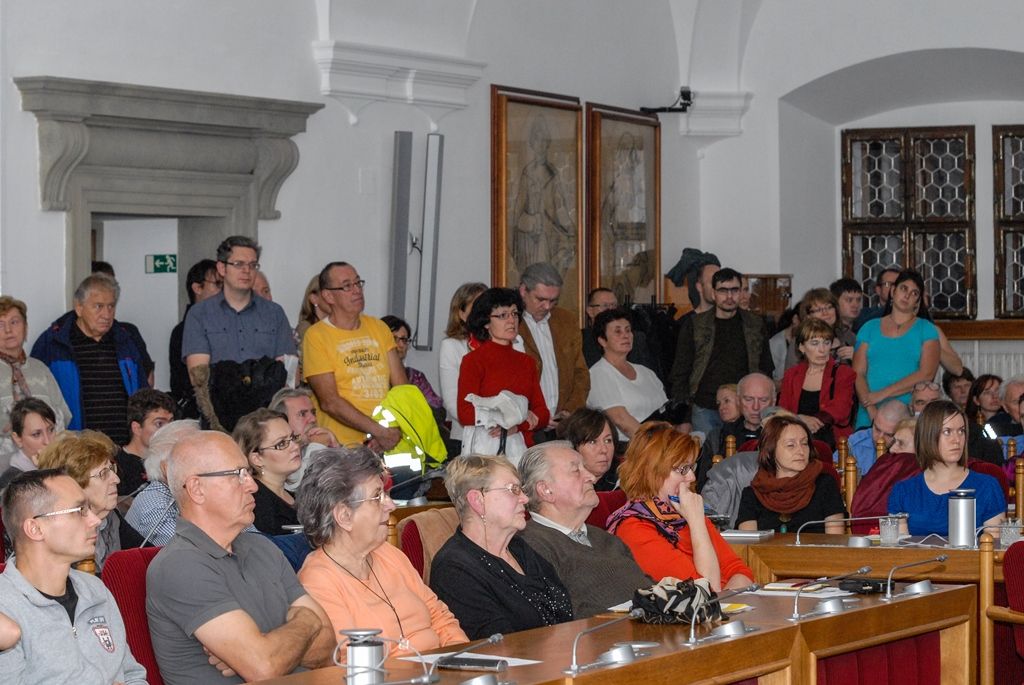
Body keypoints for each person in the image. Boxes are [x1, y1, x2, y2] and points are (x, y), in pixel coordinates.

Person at [146, 431, 334, 684]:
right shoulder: (179, 565)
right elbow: (264, 667)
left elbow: (328, 645)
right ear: (197, 489)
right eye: (237, 475)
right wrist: (308, 622)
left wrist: (268, 646)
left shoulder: (261, 547)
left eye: (249, 473)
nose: (253, 486)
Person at [296, 446, 467, 656]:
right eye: (377, 497)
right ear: (344, 516)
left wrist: (461, 660)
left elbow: (440, 616)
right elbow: (353, 661)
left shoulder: (388, 554)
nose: (391, 505)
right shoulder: (318, 581)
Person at [0, 469, 148, 684]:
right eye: (79, 510)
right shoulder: (5, 610)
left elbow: (133, 675)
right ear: (35, 528)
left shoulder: (94, 590)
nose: (95, 520)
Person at [429, 455, 573, 639]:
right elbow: (496, 644)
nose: (525, 498)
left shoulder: (519, 548)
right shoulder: (453, 569)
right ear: (477, 500)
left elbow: (565, 612)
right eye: (513, 490)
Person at [609, 422, 754, 591]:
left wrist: (723, 600)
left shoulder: (682, 511)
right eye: (682, 469)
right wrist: (697, 523)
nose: (692, 477)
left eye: (691, 467)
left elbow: (741, 571)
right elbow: (704, 591)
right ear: (652, 472)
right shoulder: (635, 529)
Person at [517, 441, 652, 617]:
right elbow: (562, 613)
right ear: (545, 490)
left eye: (586, 469)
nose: (591, 477)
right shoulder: (529, 546)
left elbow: (649, 588)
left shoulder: (606, 538)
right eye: (576, 471)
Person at [182, 236, 296, 431]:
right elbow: (199, 378)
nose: (246, 271)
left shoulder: (274, 313)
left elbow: (289, 374)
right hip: (218, 419)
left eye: (252, 265)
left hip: (267, 419)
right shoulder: (199, 314)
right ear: (221, 268)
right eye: (239, 264)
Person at [30, 274, 150, 445]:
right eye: (98, 306)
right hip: (76, 447)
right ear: (79, 307)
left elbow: (143, 394)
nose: (106, 314)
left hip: (124, 446)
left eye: (111, 306)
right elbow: (36, 402)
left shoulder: (125, 340)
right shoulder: (52, 344)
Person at [304, 261, 408, 449]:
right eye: (346, 286)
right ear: (328, 296)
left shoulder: (379, 328)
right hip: (340, 445)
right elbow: (330, 402)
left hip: (383, 439)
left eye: (358, 283)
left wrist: (390, 430)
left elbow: (402, 387)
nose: (357, 290)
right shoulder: (316, 336)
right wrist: (378, 431)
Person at [670, 267, 774, 435]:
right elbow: (680, 373)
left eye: (734, 290)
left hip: (745, 408)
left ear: (741, 292)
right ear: (713, 293)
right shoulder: (695, 325)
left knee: (745, 450)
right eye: (723, 290)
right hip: (704, 407)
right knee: (707, 451)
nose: (729, 296)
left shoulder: (755, 324)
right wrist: (683, 418)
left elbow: (765, 369)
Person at [457, 288, 548, 462]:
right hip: (485, 447)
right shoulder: (473, 360)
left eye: (514, 314)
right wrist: (516, 416)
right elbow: (465, 413)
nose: (511, 320)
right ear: (486, 322)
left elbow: (542, 413)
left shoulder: (527, 362)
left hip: (520, 447)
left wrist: (518, 425)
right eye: (502, 315)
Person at [889, 400, 1006, 536]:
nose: (957, 440)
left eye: (961, 431)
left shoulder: (987, 486)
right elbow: (899, 547)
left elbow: (993, 545)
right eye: (947, 432)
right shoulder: (903, 491)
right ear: (928, 435)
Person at [36, 431, 144, 572]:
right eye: (103, 474)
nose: (116, 479)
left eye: (112, 469)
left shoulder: (111, 517)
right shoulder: (60, 535)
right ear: (75, 484)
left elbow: (147, 556)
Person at [853, 269, 940, 429]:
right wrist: (871, 409)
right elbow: (858, 373)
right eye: (903, 288)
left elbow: (926, 374)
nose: (907, 295)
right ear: (893, 291)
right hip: (869, 411)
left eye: (914, 293)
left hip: (907, 414)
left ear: (918, 301)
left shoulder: (926, 329)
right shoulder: (869, 327)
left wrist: (882, 394)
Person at [737, 414, 846, 534]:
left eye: (804, 443)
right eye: (791, 445)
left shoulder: (825, 485)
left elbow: (835, 540)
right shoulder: (753, 494)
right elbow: (748, 543)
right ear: (770, 450)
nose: (801, 451)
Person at [517, 263, 590, 436]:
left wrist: (569, 410)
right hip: (525, 425)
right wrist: (532, 413)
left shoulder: (566, 321)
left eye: (553, 301)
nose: (547, 306)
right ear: (523, 291)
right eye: (540, 299)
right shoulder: (511, 324)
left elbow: (580, 373)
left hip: (562, 425)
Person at [0, 296, 71, 472]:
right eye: (1, 325)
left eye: (14, 322)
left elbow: (63, 415)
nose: (8, 330)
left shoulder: (40, 369)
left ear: (25, 327)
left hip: (47, 465)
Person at [587, 308, 668, 440]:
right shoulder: (598, 374)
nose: (626, 336)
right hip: (630, 446)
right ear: (602, 340)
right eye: (617, 331)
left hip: (660, 442)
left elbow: (665, 411)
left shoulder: (646, 372)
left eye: (628, 330)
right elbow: (621, 420)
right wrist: (653, 445)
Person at [779, 318, 856, 449]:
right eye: (814, 343)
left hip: (834, 444)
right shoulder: (791, 374)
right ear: (802, 347)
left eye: (826, 343)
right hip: (795, 441)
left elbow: (841, 408)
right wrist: (800, 420)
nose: (822, 350)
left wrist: (812, 422)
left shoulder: (843, 373)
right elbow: (783, 410)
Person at [125, 420, 202, 547]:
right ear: (167, 467)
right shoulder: (154, 504)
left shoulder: (178, 494)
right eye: (197, 456)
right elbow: (193, 549)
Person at [233, 408, 301, 535]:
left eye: (292, 438)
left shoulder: (297, 496)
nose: (295, 446)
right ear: (257, 459)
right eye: (281, 444)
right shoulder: (255, 504)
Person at [438, 282, 488, 453]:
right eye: (477, 306)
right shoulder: (452, 346)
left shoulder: (510, 342)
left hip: (506, 434)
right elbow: (452, 401)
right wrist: (489, 422)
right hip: (466, 435)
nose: (484, 312)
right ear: (461, 313)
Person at [168, 259, 221, 419]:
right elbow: (186, 384)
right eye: (218, 284)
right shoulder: (184, 331)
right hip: (199, 415)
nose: (224, 290)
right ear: (197, 288)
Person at [268, 387, 338, 489]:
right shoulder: (275, 454)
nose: (313, 419)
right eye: (302, 414)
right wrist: (317, 447)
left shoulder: (314, 446)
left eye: (313, 412)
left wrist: (336, 447)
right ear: (282, 421)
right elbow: (297, 488)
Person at [114, 388, 176, 498]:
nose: (169, 430)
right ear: (137, 428)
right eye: (159, 424)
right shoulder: (117, 467)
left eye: (171, 422)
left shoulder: (175, 459)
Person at [581, 288, 657, 371]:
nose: (610, 310)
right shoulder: (581, 340)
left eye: (614, 305)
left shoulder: (636, 339)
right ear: (590, 311)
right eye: (605, 306)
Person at [835, 398, 910, 475]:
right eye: (877, 429)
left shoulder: (910, 450)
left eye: (888, 435)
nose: (880, 438)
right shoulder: (859, 440)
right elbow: (834, 469)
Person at [382, 315, 442, 409]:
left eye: (404, 340)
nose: (401, 345)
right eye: (394, 339)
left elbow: (437, 408)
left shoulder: (416, 377)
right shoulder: (372, 376)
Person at [0, 398, 57, 491]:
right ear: (18, 439)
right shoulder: (11, 482)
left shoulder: (67, 464)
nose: (48, 441)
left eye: (51, 430)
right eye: (36, 434)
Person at [557, 408, 619, 491]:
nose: (604, 450)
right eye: (592, 442)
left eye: (608, 441)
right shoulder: (558, 488)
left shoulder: (626, 486)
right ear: (573, 447)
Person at [853, 266, 900, 331]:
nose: (894, 288)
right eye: (888, 284)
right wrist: (890, 305)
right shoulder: (865, 314)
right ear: (878, 290)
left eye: (898, 284)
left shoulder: (906, 314)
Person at [829, 277, 864, 346]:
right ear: (835, 302)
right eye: (849, 300)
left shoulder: (865, 327)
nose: (855, 305)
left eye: (858, 300)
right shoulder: (827, 332)